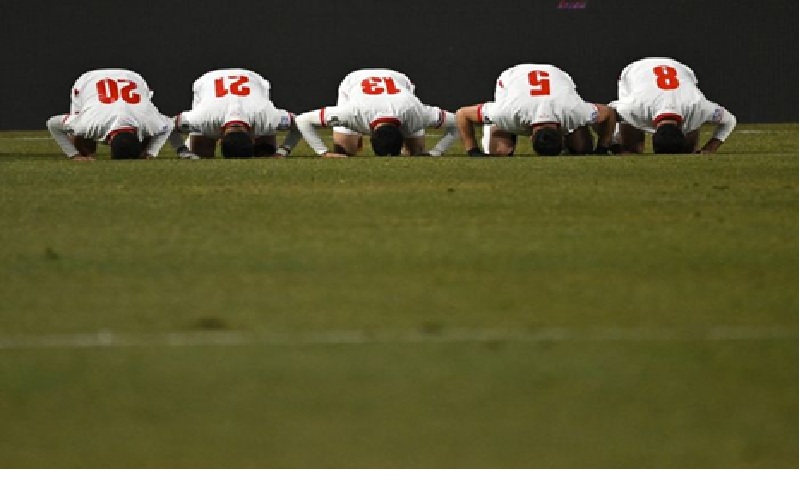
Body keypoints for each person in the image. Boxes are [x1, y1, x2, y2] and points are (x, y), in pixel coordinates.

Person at [456, 63, 616, 157]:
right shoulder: (507, 112)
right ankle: (494, 125)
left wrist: (602, 148)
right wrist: (473, 151)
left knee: (582, 149)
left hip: (557, 76)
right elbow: (462, 114)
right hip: (512, 77)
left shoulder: (574, 111)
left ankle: (575, 139)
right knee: (501, 152)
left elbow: (609, 112)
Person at [293, 68, 459, 157]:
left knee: (416, 154)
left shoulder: (417, 114)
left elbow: (459, 122)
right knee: (344, 154)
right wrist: (324, 153)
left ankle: (409, 149)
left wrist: (436, 153)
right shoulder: (351, 113)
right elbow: (302, 120)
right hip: (355, 81)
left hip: (399, 81)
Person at [610, 57, 737, 154]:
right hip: (634, 71)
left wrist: (709, 149)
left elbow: (730, 120)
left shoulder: (698, 106)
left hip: (681, 70)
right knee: (632, 149)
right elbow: (609, 113)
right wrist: (616, 146)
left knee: (689, 151)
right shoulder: (634, 107)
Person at [46, 68, 177, 160]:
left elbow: (170, 124)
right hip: (88, 82)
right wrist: (75, 155)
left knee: (151, 131)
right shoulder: (89, 125)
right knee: (86, 149)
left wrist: (150, 153)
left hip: (132, 78)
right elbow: (52, 124)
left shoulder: (150, 123)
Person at [171, 68, 300, 158]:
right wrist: (283, 151)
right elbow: (167, 126)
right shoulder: (202, 119)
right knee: (201, 153)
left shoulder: (267, 117)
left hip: (253, 80)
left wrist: (283, 151)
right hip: (207, 82)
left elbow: (168, 126)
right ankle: (193, 140)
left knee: (265, 153)